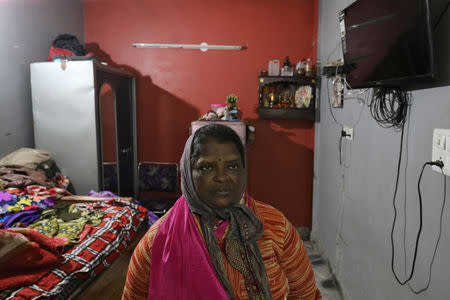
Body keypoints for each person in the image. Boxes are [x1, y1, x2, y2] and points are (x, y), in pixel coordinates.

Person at [122, 124, 321, 300]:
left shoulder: (275, 226)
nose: (222, 177)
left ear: (244, 170)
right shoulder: (157, 243)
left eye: (233, 166)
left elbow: (306, 293)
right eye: (207, 167)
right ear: (188, 173)